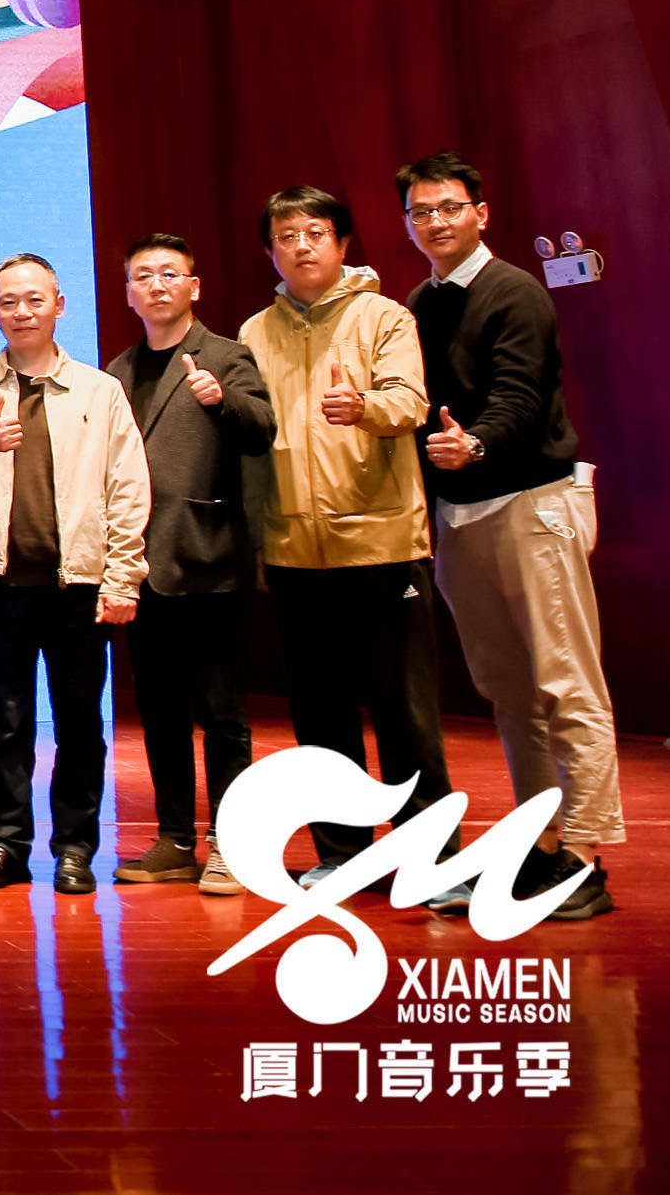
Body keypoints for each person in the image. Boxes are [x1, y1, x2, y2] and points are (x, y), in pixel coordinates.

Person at [399, 150, 617, 920]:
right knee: (508, 693)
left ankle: (583, 858)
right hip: (460, 515)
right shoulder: (419, 303)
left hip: (530, 501)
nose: (435, 222)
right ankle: (541, 842)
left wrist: (475, 444)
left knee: (566, 684)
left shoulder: (514, 291)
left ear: (479, 214)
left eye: (448, 207)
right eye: (420, 211)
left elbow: (519, 397)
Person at [240, 185, 450, 889]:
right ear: (270, 251)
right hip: (293, 552)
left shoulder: (383, 316)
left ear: (341, 243)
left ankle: (430, 862)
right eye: (286, 236)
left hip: (381, 545)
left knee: (404, 715)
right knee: (321, 717)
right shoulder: (252, 334)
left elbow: (411, 403)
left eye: (315, 233)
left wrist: (362, 406)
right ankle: (342, 855)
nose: (301, 246)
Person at [0, 255, 149, 894]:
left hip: (78, 584)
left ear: (59, 305)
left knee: (80, 725)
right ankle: (6, 846)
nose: (22, 312)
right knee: (5, 725)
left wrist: (123, 578)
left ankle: (75, 848)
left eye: (34, 300)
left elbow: (127, 486)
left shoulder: (99, 390)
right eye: (8, 302)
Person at [102, 233, 274, 895]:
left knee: (221, 714)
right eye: (142, 275)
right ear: (128, 293)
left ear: (193, 287)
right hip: (142, 566)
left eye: (170, 274)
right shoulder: (117, 371)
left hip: (210, 561)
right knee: (160, 713)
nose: (156, 285)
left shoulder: (225, 356)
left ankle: (231, 844)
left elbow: (262, 428)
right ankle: (174, 840)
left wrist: (221, 400)